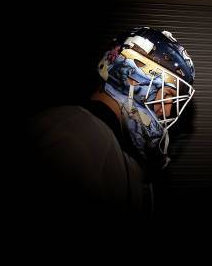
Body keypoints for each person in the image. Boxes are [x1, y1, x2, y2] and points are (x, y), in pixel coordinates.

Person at [23, 27, 196, 227]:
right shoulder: (70, 139)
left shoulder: (113, 141)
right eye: (167, 96)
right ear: (133, 78)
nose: (168, 109)